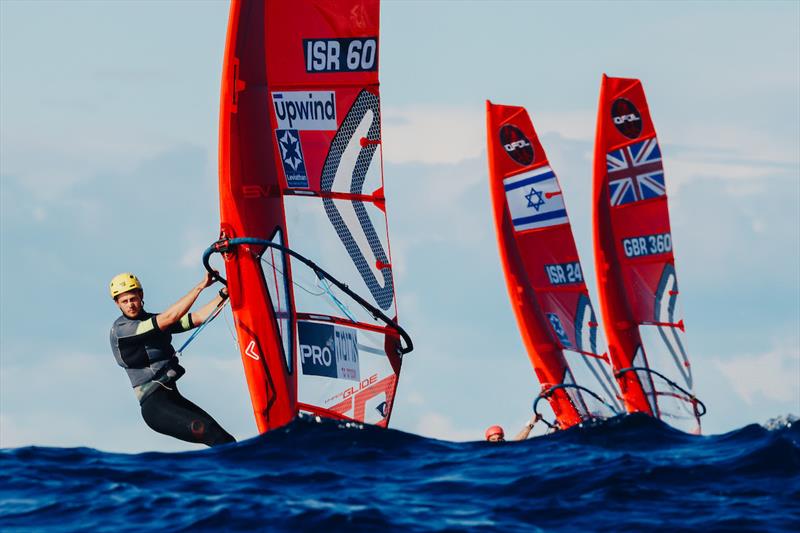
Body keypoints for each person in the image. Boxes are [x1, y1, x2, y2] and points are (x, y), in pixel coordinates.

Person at [109, 272, 236, 447]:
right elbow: (169, 318)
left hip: (171, 397)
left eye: (133, 299)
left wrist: (223, 294)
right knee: (211, 434)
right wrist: (200, 286)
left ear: (141, 296)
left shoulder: (152, 320)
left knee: (225, 439)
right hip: (155, 406)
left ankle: (242, 473)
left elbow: (197, 318)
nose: (130, 305)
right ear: (117, 304)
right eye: (124, 301)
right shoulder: (122, 329)